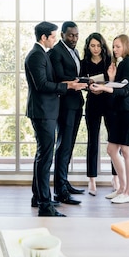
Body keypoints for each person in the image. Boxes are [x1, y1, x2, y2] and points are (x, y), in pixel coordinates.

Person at [25, 21, 86, 216]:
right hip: (43, 112)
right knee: (45, 159)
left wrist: (68, 83)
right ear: (44, 37)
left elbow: (49, 81)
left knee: (42, 157)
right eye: (53, 36)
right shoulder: (36, 55)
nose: (55, 39)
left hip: (47, 111)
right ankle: (45, 205)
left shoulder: (41, 54)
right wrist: (68, 87)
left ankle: (38, 198)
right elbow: (42, 85)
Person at [89, 34, 129, 204]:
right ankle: (121, 188)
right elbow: (118, 86)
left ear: (126, 46)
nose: (115, 49)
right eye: (113, 46)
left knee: (126, 152)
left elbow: (124, 89)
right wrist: (110, 80)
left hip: (128, 112)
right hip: (120, 112)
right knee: (112, 150)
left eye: (118, 46)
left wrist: (104, 87)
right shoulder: (122, 63)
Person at [48, 21, 86, 205]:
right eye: (71, 35)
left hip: (76, 103)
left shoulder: (75, 51)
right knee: (63, 146)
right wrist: (78, 82)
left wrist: (86, 81)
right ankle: (60, 191)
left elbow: (74, 74)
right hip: (64, 105)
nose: (74, 38)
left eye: (77, 35)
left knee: (69, 145)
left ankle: (64, 182)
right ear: (62, 34)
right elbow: (59, 77)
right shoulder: (56, 52)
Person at [79, 32, 117, 196]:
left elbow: (115, 83)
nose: (95, 49)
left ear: (103, 46)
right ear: (88, 46)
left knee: (114, 142)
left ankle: (115, 177)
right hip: (92, 103)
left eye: (98, 45)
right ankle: (92, 179)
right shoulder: (83, 63)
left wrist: (108, 80)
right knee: (92, 141)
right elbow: (80, 82)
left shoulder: (110, 61)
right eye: (92, 45)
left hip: (109, 103)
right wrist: (88, 86)